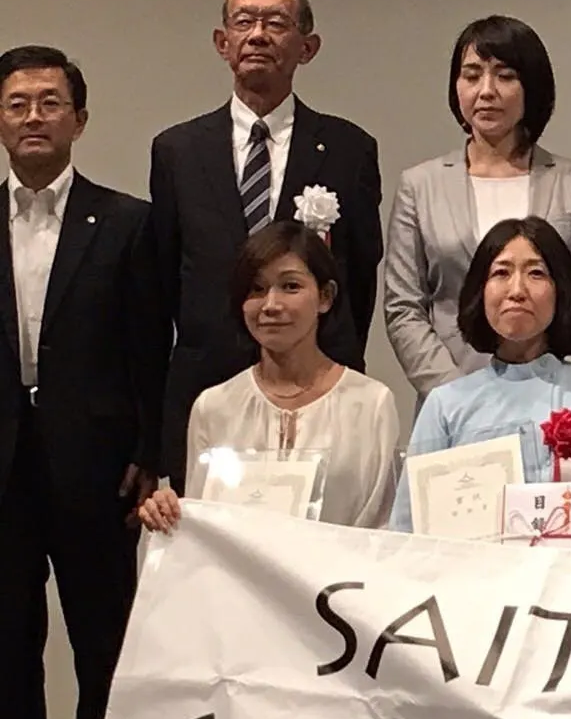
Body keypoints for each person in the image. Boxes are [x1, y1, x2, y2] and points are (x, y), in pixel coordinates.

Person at [0, 46, 169, 719]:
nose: (34, 116)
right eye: (17, 104)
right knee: (7, 661)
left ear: (80, 119)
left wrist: (149, 451)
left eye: (50, 102)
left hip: (99, 469)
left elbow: (152, 350)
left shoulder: (127, 221)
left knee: (106, 653)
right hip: (2, 475)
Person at [150, 0, 383, 487]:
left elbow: (358, 278)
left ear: (307, 47)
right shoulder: (177, 151)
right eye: (244, 21)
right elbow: (164, 283)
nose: (258, 34)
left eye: (276, 22)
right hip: (207, 392)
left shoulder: (348, 149)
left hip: (317, 393)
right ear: (222, 42)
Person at [384, 15, 571, 401]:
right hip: (452, 399)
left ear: (532, 86)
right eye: (472, 76)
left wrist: (559, 383)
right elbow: (404, 307)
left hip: (557, 402)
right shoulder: (419, 185)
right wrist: (456, 394)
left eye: (505, 76)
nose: (486, 91)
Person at [391, 218, 571, 551]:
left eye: (536, 273)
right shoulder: (445, 404)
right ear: (480, 292)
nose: (517, 290)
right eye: (501, 273)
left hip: (569, 578)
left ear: (561, 289)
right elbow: (409, 525)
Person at [136, 222, 399, 532]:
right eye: (256, 289)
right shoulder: (214, 407)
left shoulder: (370, 403)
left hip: (341, 564)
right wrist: (169, 514)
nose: (271, 305)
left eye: (291, 286)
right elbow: (204, 527)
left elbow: (382, 527)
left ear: (325, 296)